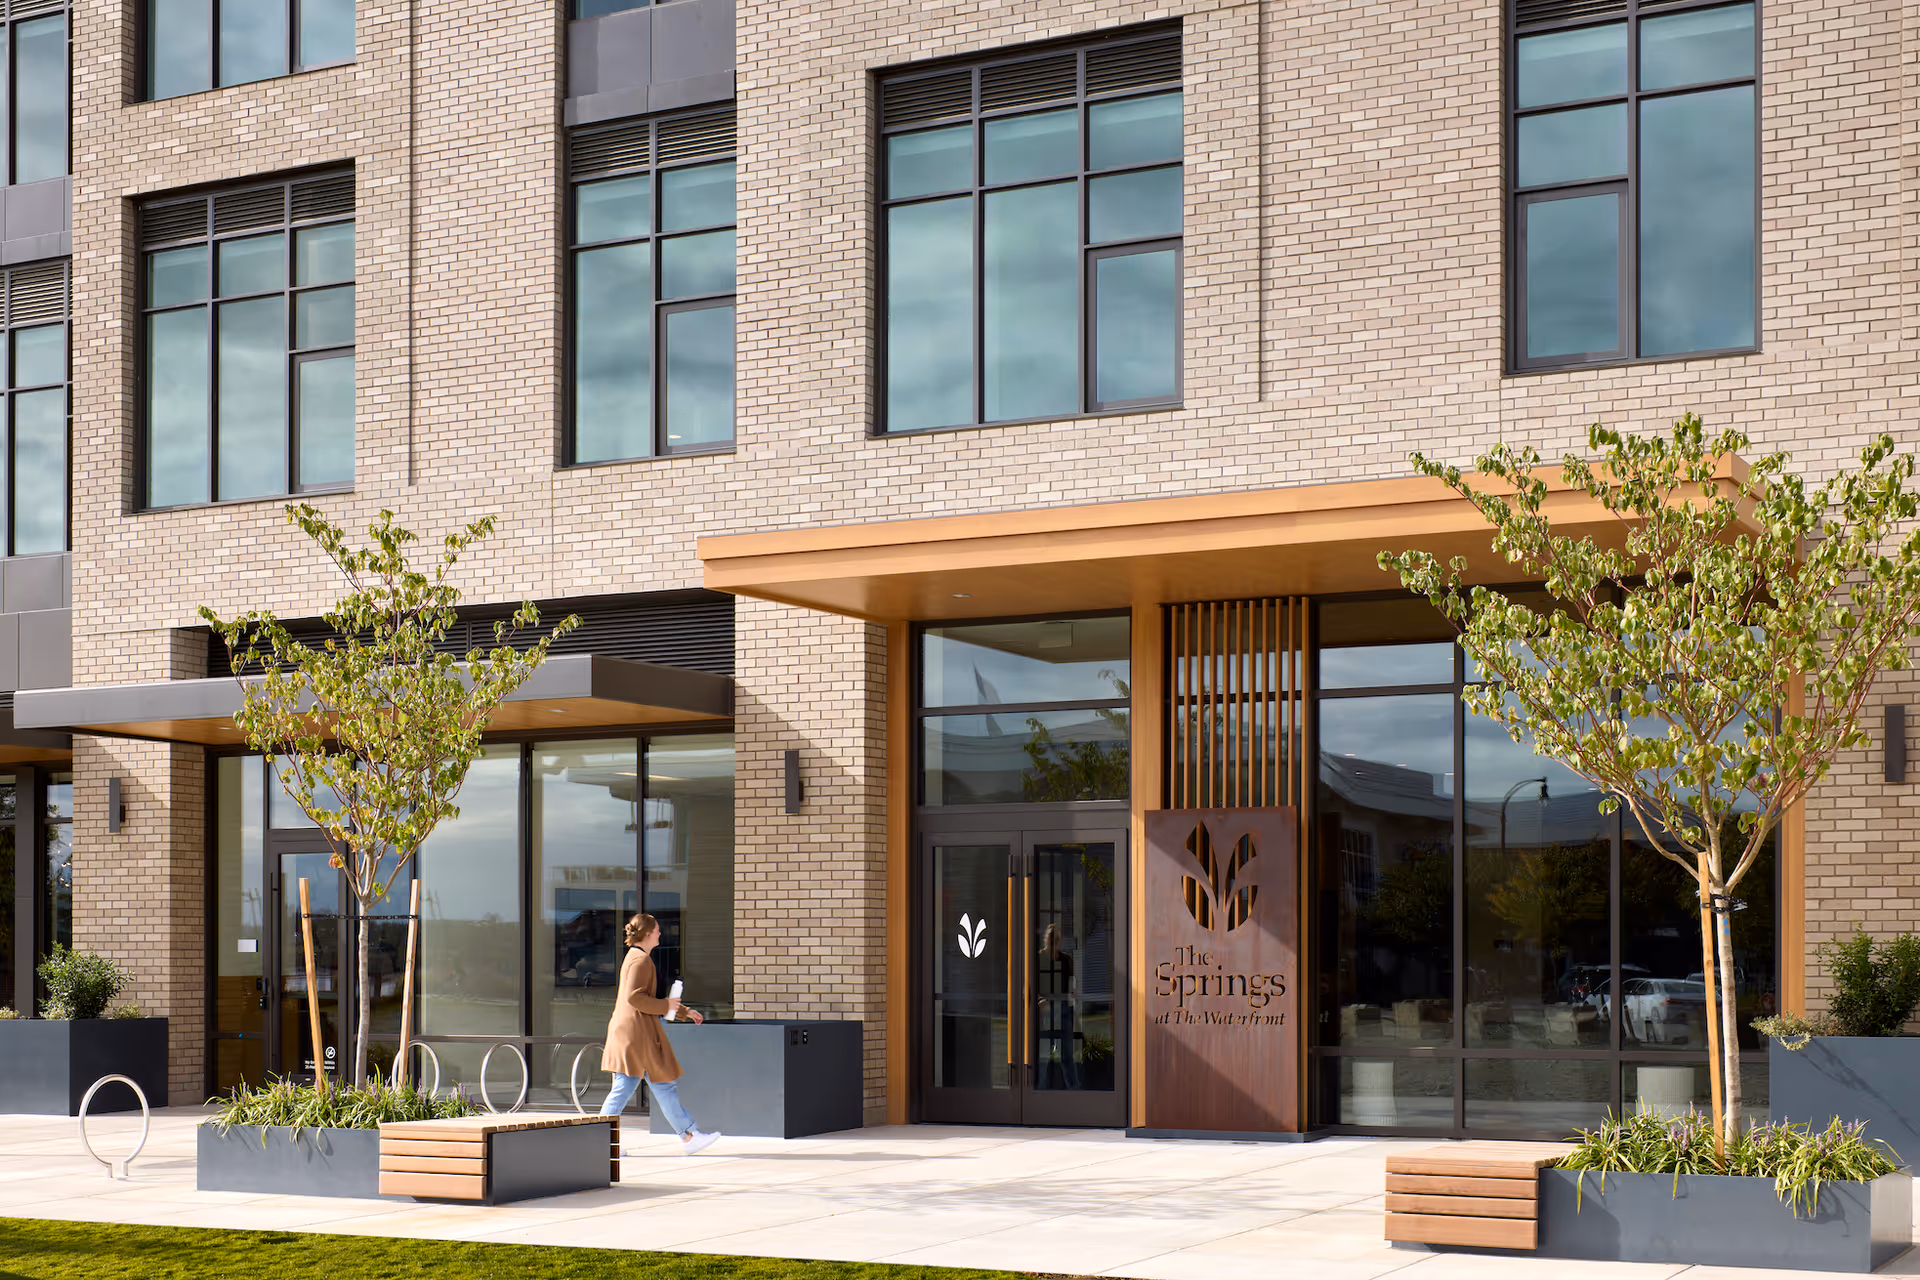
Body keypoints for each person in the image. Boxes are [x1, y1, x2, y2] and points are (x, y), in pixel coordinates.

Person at [599, 912, 721, 1155]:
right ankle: (688, 1136)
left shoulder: (635, 957)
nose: (660, 934)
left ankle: (599, 1139)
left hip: (631, 1033)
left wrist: (683, 1011)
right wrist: (670, 1007)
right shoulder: (641, 961)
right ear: (647, 934)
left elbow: (646, 999)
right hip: (637, 1036)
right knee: (658, 1085)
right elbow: (635, 998)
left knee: (634, 1086)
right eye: (657, 930)